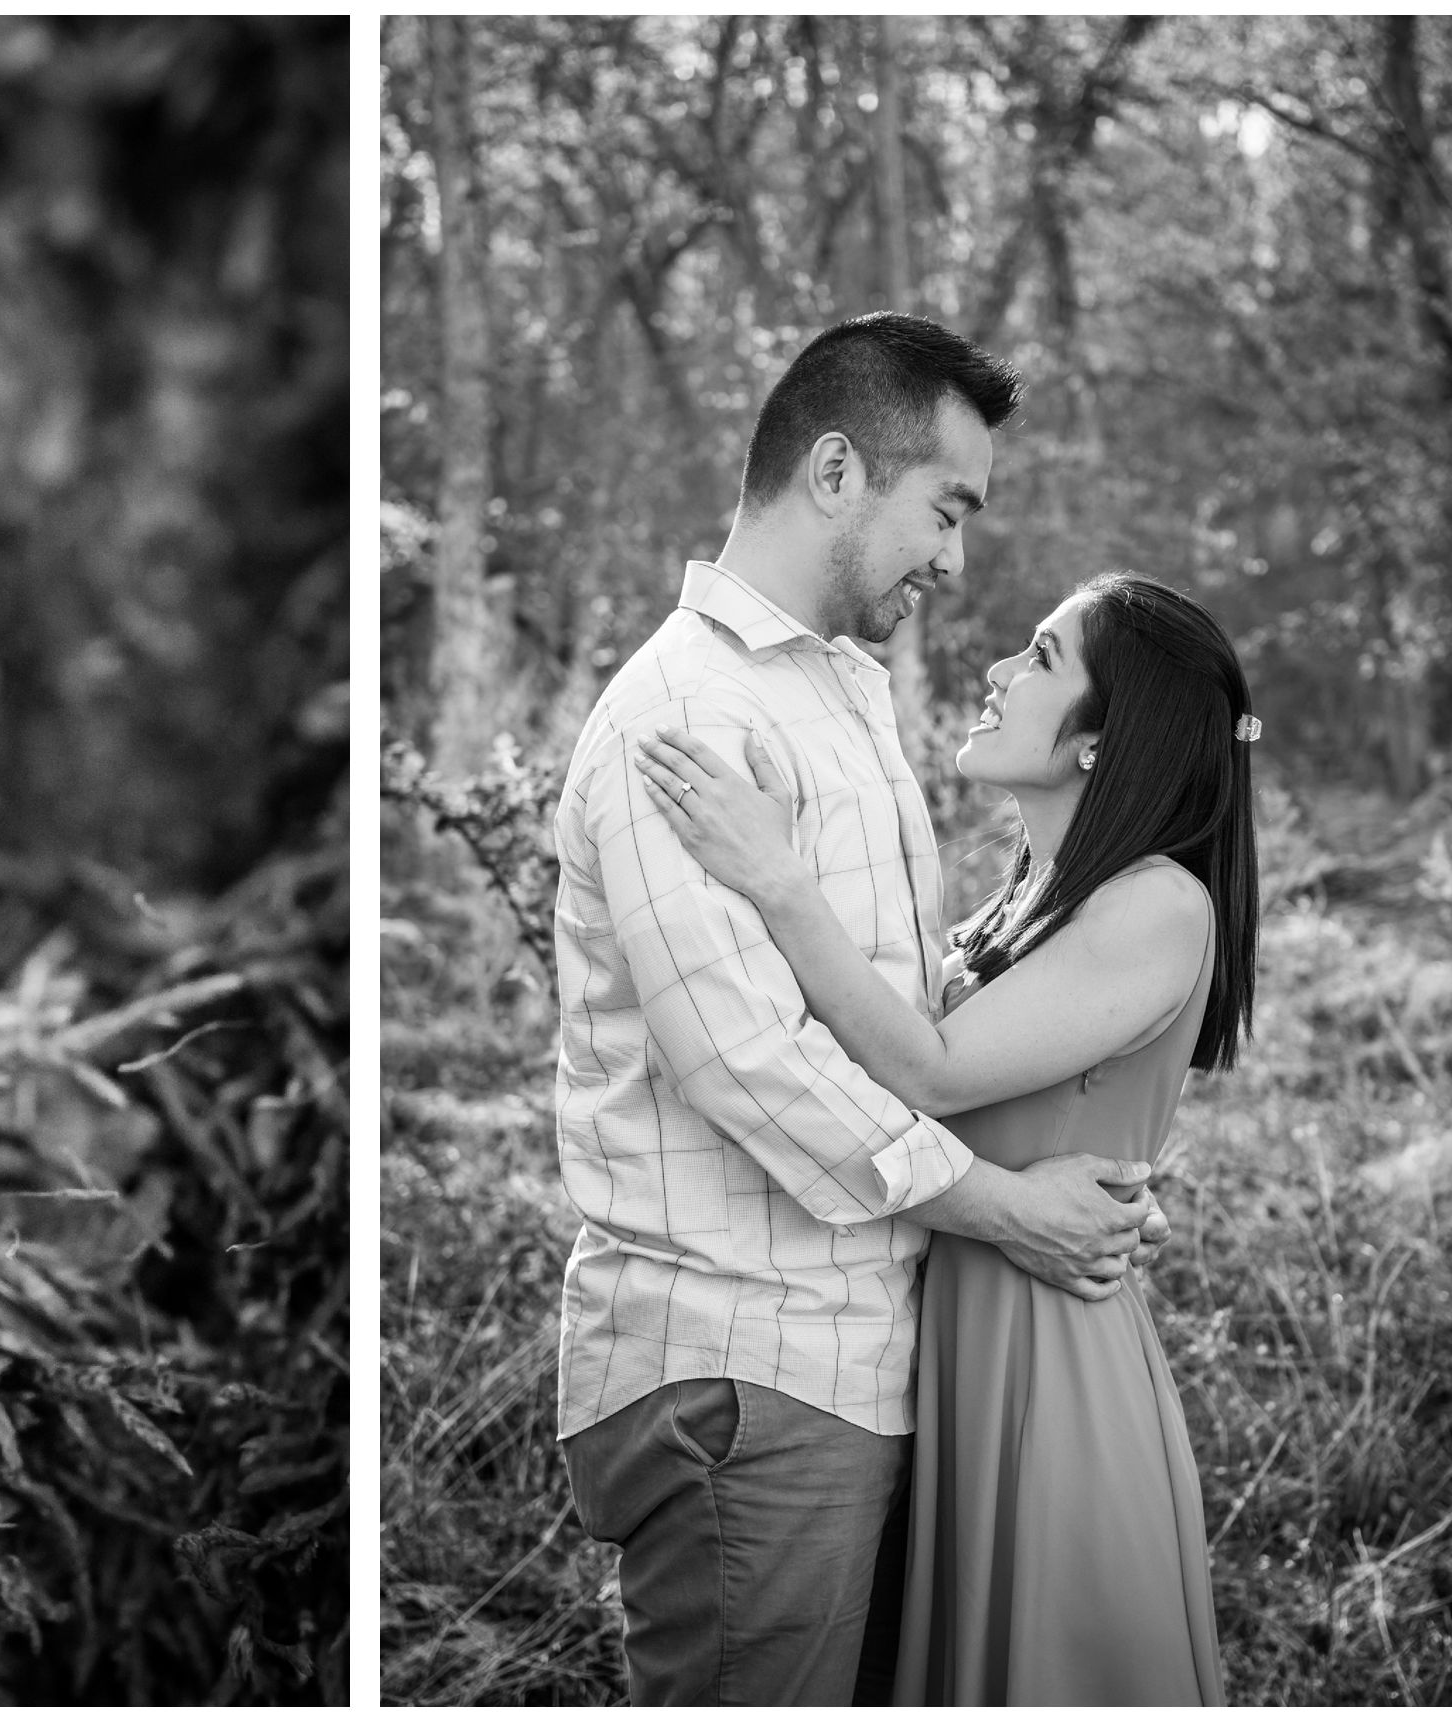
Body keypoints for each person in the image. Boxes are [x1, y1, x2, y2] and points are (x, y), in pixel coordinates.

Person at [551, 311, 1169, 1707]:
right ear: (836, 472)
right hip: (741, 1362)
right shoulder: (685, 716)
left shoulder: (838, 689)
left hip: (857, 1353)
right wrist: (1014, 1211)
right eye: (946, 509)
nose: (957, 559)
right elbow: (750, 1067)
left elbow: (898, 1007)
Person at [634, 571, 1253, 1704]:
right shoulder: (1028, 899)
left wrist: (773, 876)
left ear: (1102, 743)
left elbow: (925, 1068)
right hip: (955, 1338)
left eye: (1042, 657)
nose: (1002, 672)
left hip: (1046, 1363)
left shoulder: (1159, 903)